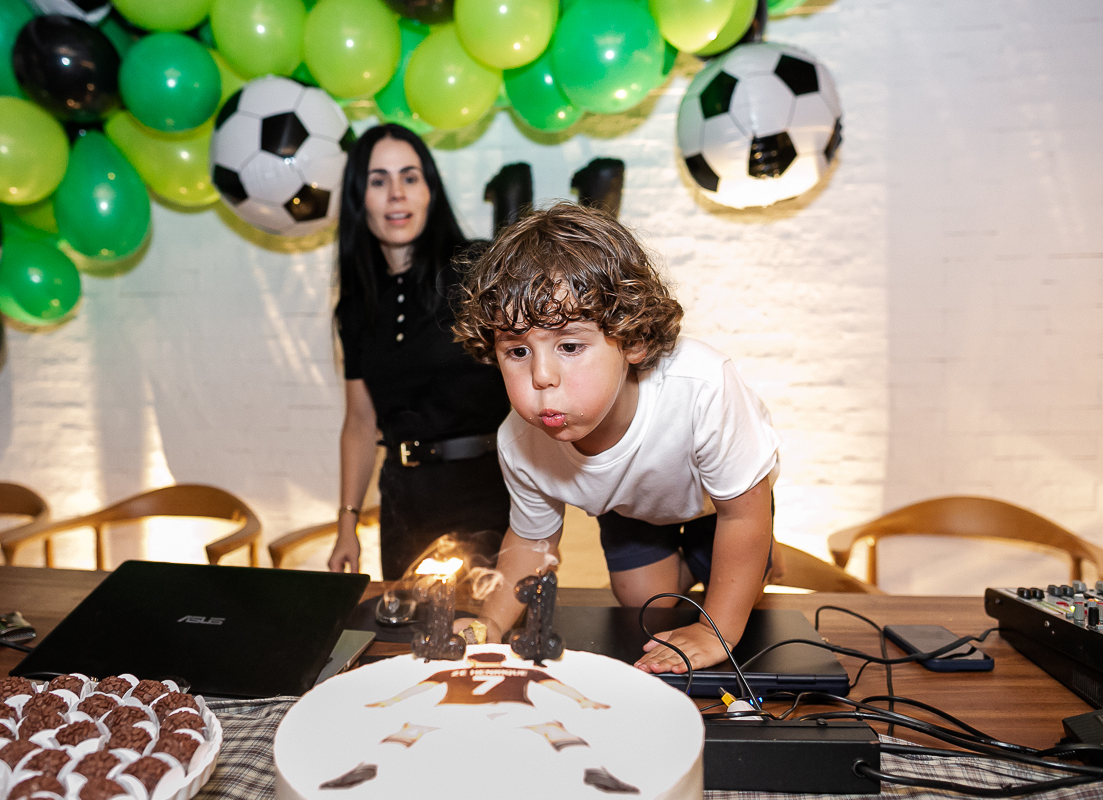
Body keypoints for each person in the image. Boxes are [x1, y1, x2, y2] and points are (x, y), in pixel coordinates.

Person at [451, 203, 781, 674]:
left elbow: (743, 514)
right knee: (642, 601)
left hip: (723, 501)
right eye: (519, 350)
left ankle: (757, 554)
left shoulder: (702, 387)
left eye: (569, 346)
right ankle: (693, 561)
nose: (542, 376)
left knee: (738, 585)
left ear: (633, 340)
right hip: (632, 502)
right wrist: (491, 624)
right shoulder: (520, 442)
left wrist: (716, 631)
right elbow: (531, 543)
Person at [328, 124, 511, 580]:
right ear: (358, 199)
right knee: (407, 644)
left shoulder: (478, 269)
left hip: (487, 494)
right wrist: (346, 524)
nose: (395, 194)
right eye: (377, 180)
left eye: (409, 177)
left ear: (430, 190)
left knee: (485, 643)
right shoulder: (354, 306)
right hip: (403, 503)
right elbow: (359, 421)